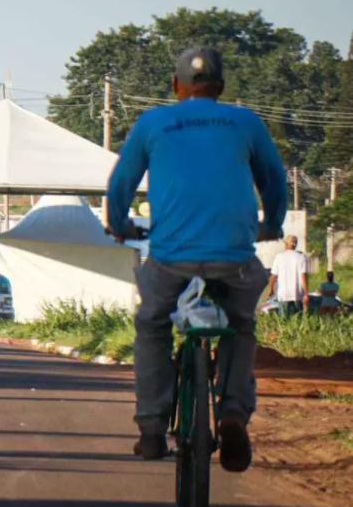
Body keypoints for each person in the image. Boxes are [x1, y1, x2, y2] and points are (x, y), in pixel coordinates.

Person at [106, 47, 287, 473]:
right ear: (221, 88)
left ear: (175, 86)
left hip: (171, 261)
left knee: (152, 324)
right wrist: (273, 224)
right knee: (240, 327)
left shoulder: (153, 123)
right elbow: (275, 181)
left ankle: (151, 428)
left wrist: (119, 225)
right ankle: (233, 415)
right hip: (234, 260)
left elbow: (121, 185)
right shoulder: (246, 122)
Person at [267, 235, 309, 316]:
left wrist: (271, 290)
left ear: (286, 244)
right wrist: (306, 293)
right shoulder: (301, 257)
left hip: (283, 295)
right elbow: (304, 276)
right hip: (298, 295)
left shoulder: (278, 257)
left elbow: (273, 276)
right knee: (297, 321)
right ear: (295, 245)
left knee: (283, 322)